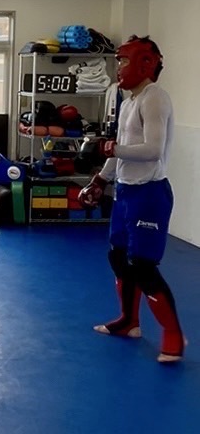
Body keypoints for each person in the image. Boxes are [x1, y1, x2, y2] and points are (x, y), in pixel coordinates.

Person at [78, 35, 186, 363]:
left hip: (149, 193)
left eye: (124, 60)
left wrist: (112, 148)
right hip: (125, 191)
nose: (120, 67)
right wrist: (100, 179)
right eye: (120, 61)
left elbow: (152, 150)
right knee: (118, 257)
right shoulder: (128, 101)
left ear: (145, 63)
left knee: (143, 267)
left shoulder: (155, 98)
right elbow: (120, 150)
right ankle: (129, 321)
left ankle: (173, 335)